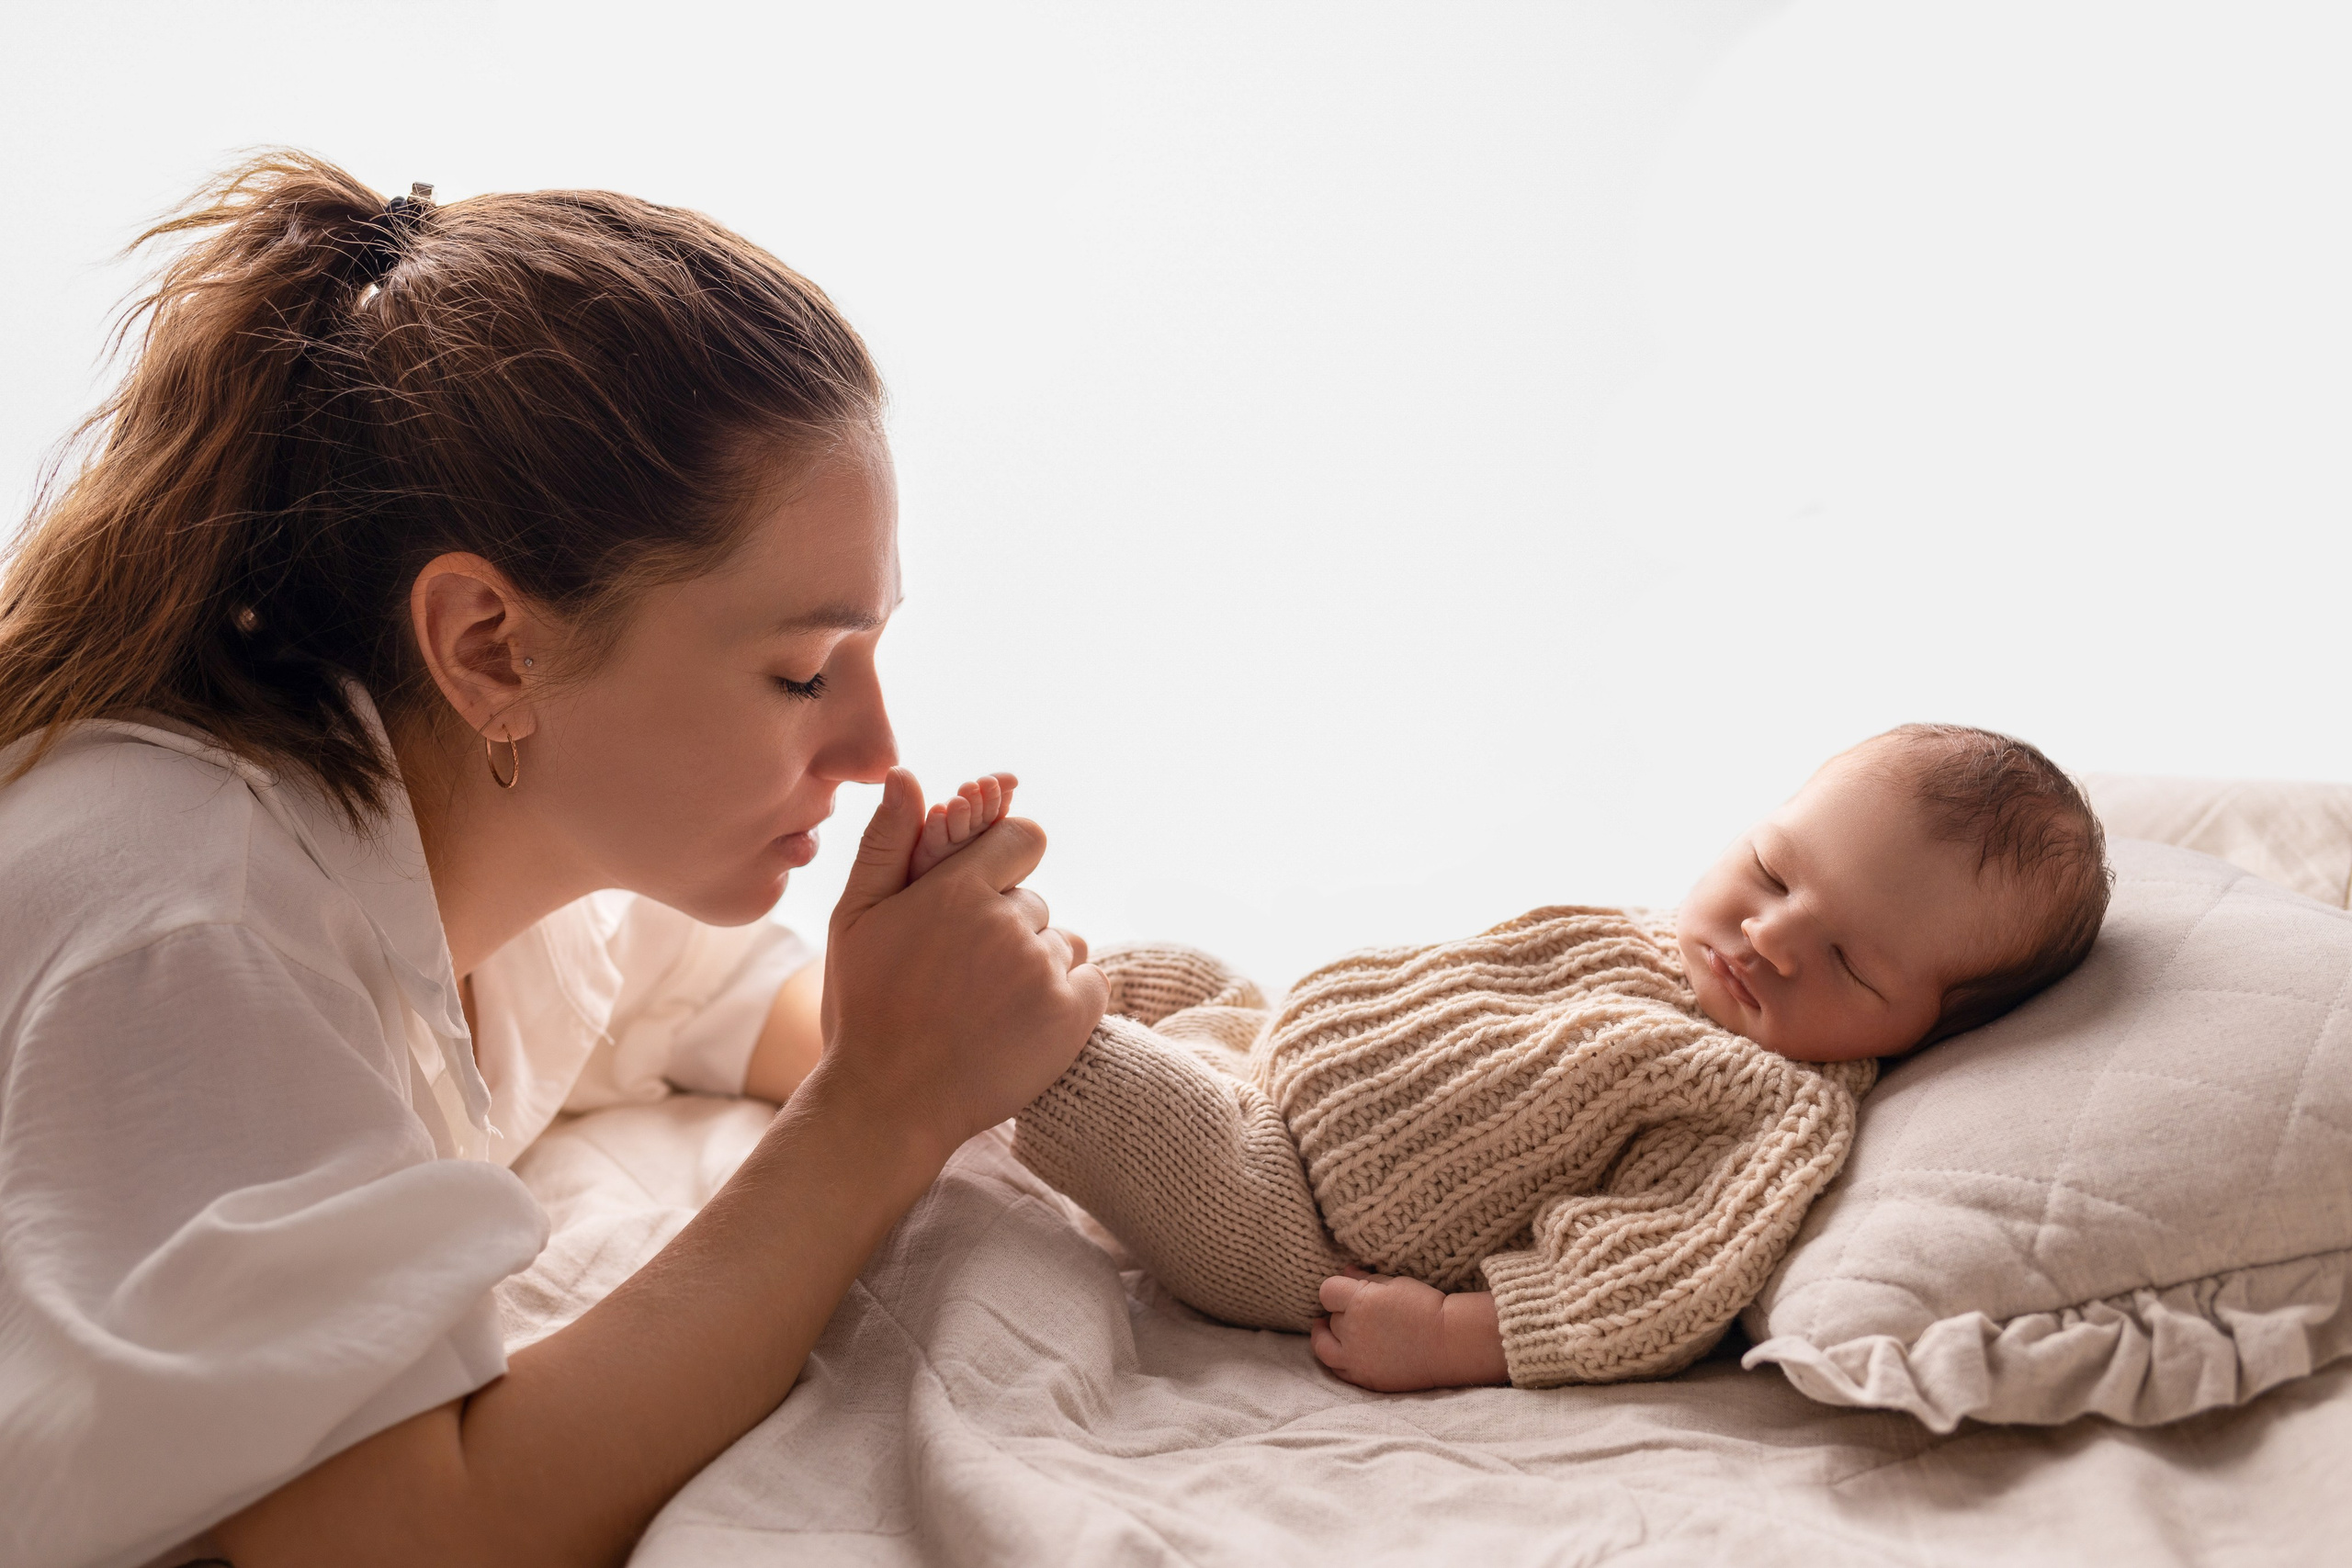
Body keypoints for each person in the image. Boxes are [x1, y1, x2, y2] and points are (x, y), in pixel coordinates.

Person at [0, 154, 1105, 1568]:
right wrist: (886, 1100)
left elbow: (690, 1002)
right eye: (805, 670)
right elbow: (405, 1536)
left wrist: (942, 1009)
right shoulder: (193, 919)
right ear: (488, 646)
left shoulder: (476, 834)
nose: (878, 749)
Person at [1011, 724, 2110, 1393]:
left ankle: (998, 1018)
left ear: (1920, 1033)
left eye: (1848, 964)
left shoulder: (1773, 1108)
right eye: (1773, 874)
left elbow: (1649, 1279)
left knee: (1098, 1082)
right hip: (1269, 1055)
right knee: (1165, 970)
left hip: (1303, 1221)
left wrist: (1451, 1336)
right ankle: (1017, 949)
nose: (1770, 939)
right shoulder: (1653, 935)